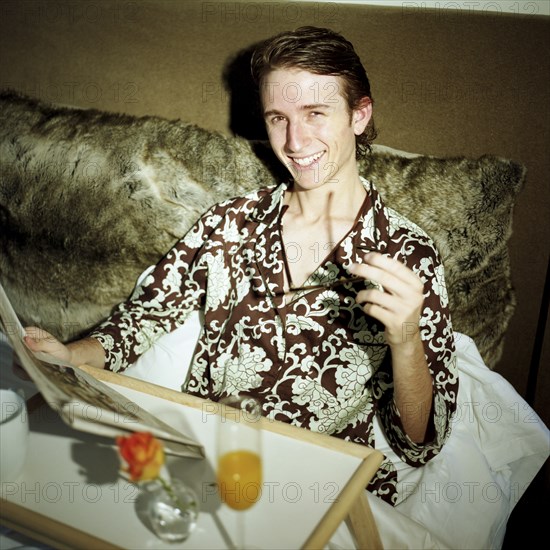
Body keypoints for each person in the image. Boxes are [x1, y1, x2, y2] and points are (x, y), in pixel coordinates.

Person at [25, 26, 458, 505]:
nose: (295, 141)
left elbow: (420, 445)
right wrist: (71, 358)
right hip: (207, 460)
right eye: (278, 118)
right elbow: (146, 316)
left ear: (360, 114)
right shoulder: (230, 222)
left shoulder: (407, 253)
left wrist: (407, 339)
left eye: (316, 113)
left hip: (320, 486)